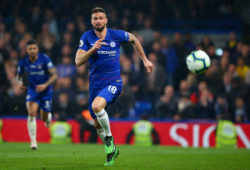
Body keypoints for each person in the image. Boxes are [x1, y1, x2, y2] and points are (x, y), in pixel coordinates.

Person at [75, 7, 153, 166]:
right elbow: (78, 61)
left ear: (106, 20)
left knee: (97, 107)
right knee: (97, 123)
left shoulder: (115, 35)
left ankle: (109, 139)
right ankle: (112, 149)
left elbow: (134, 39)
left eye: (100, 18)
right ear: (91, 21)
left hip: (113, 82)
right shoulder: (87, 37)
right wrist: (92, 49)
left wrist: (144, 59)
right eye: (95, 18)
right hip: (95, 85)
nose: (98, 21)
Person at [16, 40, 57, 149]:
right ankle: (33, 141)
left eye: (34, 48)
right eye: (30, 49)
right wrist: (20, 83)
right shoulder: (23, 62)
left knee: (44, 117)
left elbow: (54, 76)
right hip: (32, 90)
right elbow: (18, 76)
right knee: (32, 112)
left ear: (37, 49)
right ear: (27, 50)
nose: (32, 51)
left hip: (46, 90)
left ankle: (47, 117)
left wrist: (45, 85)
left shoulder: (45, 59)